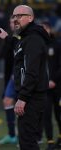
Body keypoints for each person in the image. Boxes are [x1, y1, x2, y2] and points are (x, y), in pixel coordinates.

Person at [0, 5, 50, 150]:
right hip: (31, 95)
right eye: (14, 16)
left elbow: (32, 72)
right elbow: (19, 47)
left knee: (27, 141)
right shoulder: (26, 37)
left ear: (30, 18)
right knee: (26, 139)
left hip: (32, 96)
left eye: (20, 15)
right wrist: (7, 38)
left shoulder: (33, 39)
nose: (15, 19)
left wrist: (23, 98)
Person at [0, 18, 19, 145]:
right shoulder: (8, 39)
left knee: (27, 107)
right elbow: (7, 61)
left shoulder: (25, 38)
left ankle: (33, 135)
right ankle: (12, 135)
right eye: (10, 22)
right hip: (12, 77)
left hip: (24, 76)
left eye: (15, 21)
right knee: (7, 101)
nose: (13, 24)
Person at [41, 21, 61, 150]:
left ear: (49, 30)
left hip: (58, 86)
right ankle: (50, 141)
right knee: (46, 114)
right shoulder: (38, 46)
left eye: (44, 29)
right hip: (44, 88)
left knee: (59, 114)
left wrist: (53, 80)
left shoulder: (58, 45)